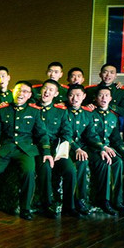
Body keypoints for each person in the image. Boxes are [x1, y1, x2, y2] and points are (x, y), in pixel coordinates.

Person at [0, 81, 53, 220]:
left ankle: (25, 208)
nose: (21, 94)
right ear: (13, 92)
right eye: (18, 90)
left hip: (25, 150)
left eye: (25, 91)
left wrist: (47, 153)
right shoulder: (2, 110)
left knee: (29, 171)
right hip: (5, 149)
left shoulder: (34, 112)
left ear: (29, 95)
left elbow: (42, 134)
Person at [90, 87, 124, 215]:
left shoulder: (113, 116)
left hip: (110, 150)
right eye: (100, 95)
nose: (103, 98)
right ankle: (113, 201)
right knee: (116, 162)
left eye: (106, 95)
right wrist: (102, 147)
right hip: (95, 149)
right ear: (96, 98)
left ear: (111, 99)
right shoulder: (90, 114)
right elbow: (89, 136)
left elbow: (117, 139)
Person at [35, 80, 76, 218]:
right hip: (38, 148)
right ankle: (46, 204)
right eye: (45, 88)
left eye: (51, 90)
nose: (47, 92)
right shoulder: (32, 109)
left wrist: (61, 149)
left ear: (56, 94)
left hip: (56, 149)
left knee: (70, 170)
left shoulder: (61, 112)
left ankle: (69, 206)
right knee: (46, 167)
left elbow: (67, 133)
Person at [64, 84, 106, 215]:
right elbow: (64, 134)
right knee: (82, 161)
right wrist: (76, 148)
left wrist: (101, 148)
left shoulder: (87, 114)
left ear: (84, 96)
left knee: (102, 160)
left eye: (78, 95)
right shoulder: (62, 111)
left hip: (84, 147)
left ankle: (104, 200)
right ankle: (79, 199)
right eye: (71, 95)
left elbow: (91, 135)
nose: (74, 99)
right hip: (68, 146)